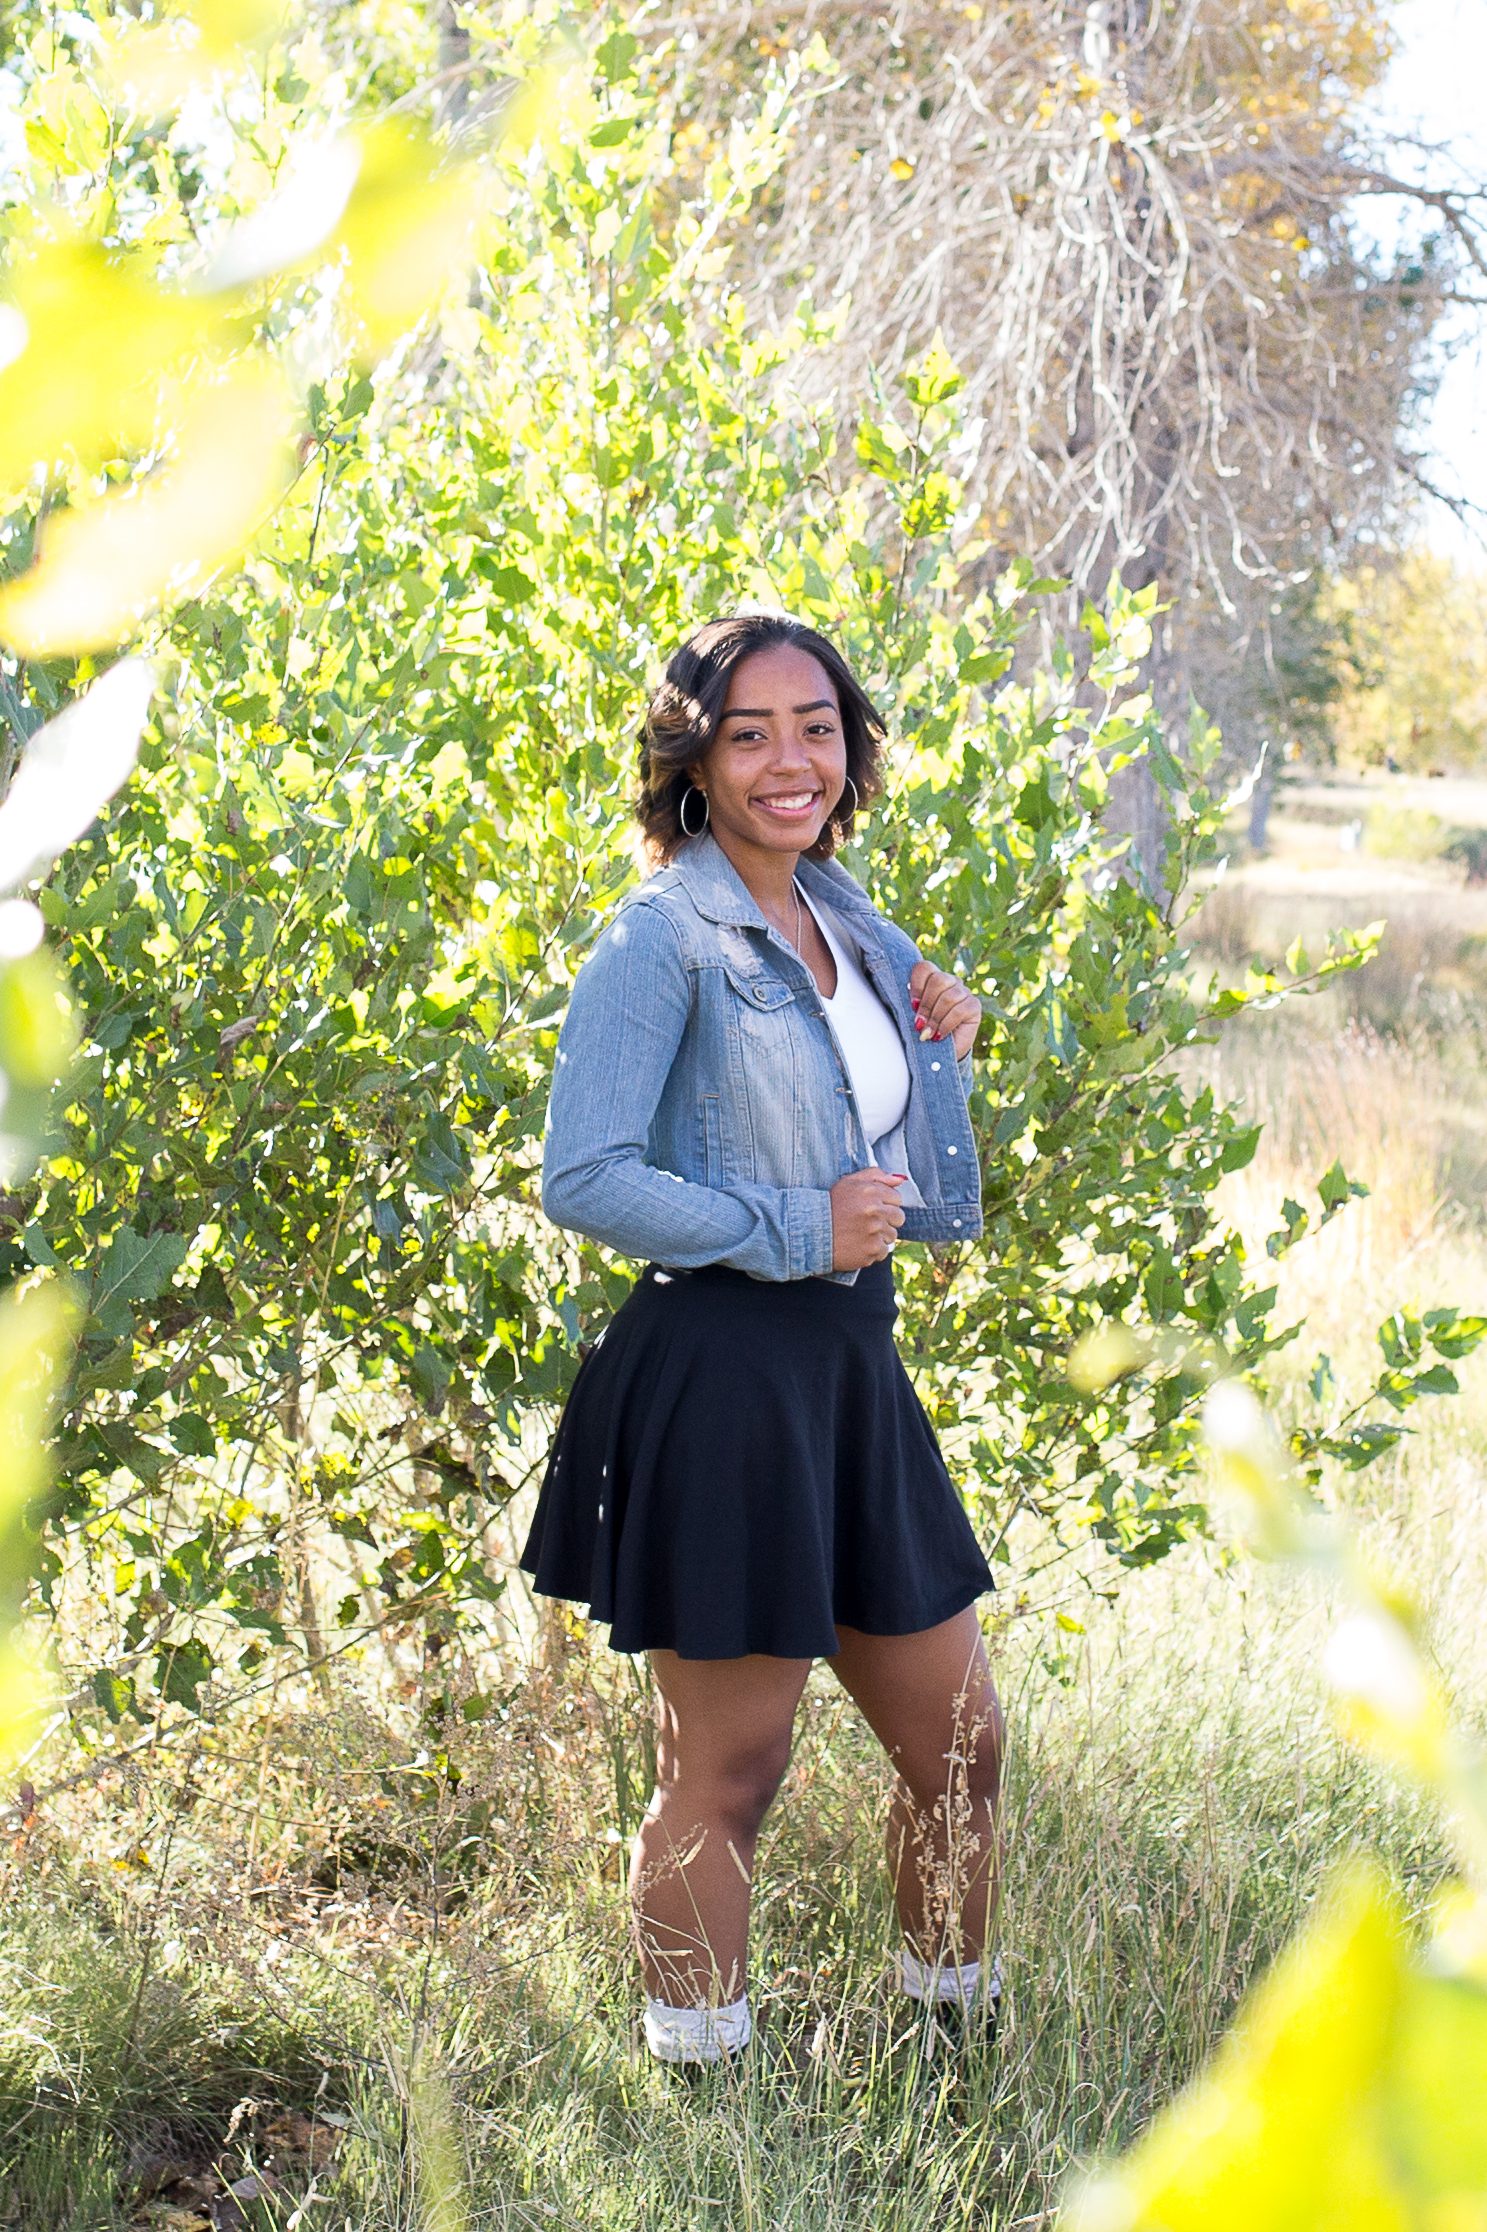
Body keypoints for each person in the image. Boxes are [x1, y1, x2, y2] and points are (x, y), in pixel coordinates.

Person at [522, 613, 1002, 2067]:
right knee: (729, 1768)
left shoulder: (853, 918)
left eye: (815, 727)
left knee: (962, 1751)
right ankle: (702, 2088)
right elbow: (583, 1174)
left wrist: (940, 1037)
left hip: (853, 1370)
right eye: (750, 734)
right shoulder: (659, 935)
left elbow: (879, 1152)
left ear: (850, 747)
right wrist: (796, 1225)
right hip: (726, 1372)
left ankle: (946, 2062)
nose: (791, 759)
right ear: (695, 762)